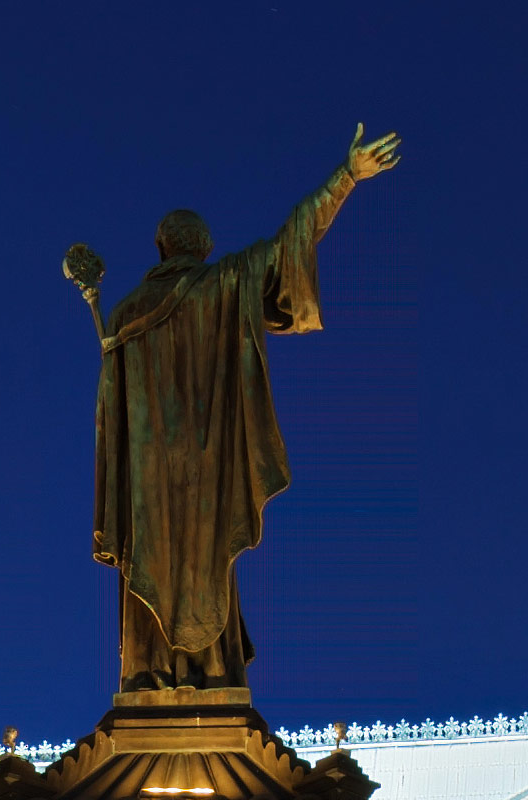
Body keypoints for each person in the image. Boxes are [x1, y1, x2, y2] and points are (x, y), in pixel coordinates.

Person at [93, 125, 401, 692]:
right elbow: (294, 239)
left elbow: (108, 418)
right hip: (210, 458)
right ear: (204, 250)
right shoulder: (224, 283)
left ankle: (144, 670)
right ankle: (212, 672)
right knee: (207, 558)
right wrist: (345, 178)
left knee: (151, 558)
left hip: (147, 472)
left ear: (161, 247)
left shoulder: (124, 314)